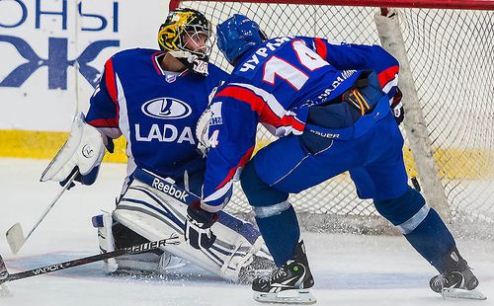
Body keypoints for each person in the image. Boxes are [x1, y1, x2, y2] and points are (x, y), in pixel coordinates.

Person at [185, 14, 485, 304]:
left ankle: (293, 275)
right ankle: (458, 273)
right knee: (394, 198)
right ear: (261, 35)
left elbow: (231, 151)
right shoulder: (297, 43)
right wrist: (392, 94)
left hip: (334, 137)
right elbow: (377, 57)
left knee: (257, 180)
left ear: (227, 54)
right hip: (379, 120)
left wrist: (210, 205)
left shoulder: (237, 85)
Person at [40, 8, 271, 282]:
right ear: (172, 37)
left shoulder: (218, 84)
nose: (201, 45)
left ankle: (232, 243)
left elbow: (237, 150)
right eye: (193, 37)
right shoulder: (124, 69)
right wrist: (87, 150)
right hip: (138, 190)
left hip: (191, 197)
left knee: (141, 205)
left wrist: (219, 145)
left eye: (203, 39)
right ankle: (146, 232)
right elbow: (101, 123)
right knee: (127, 256)